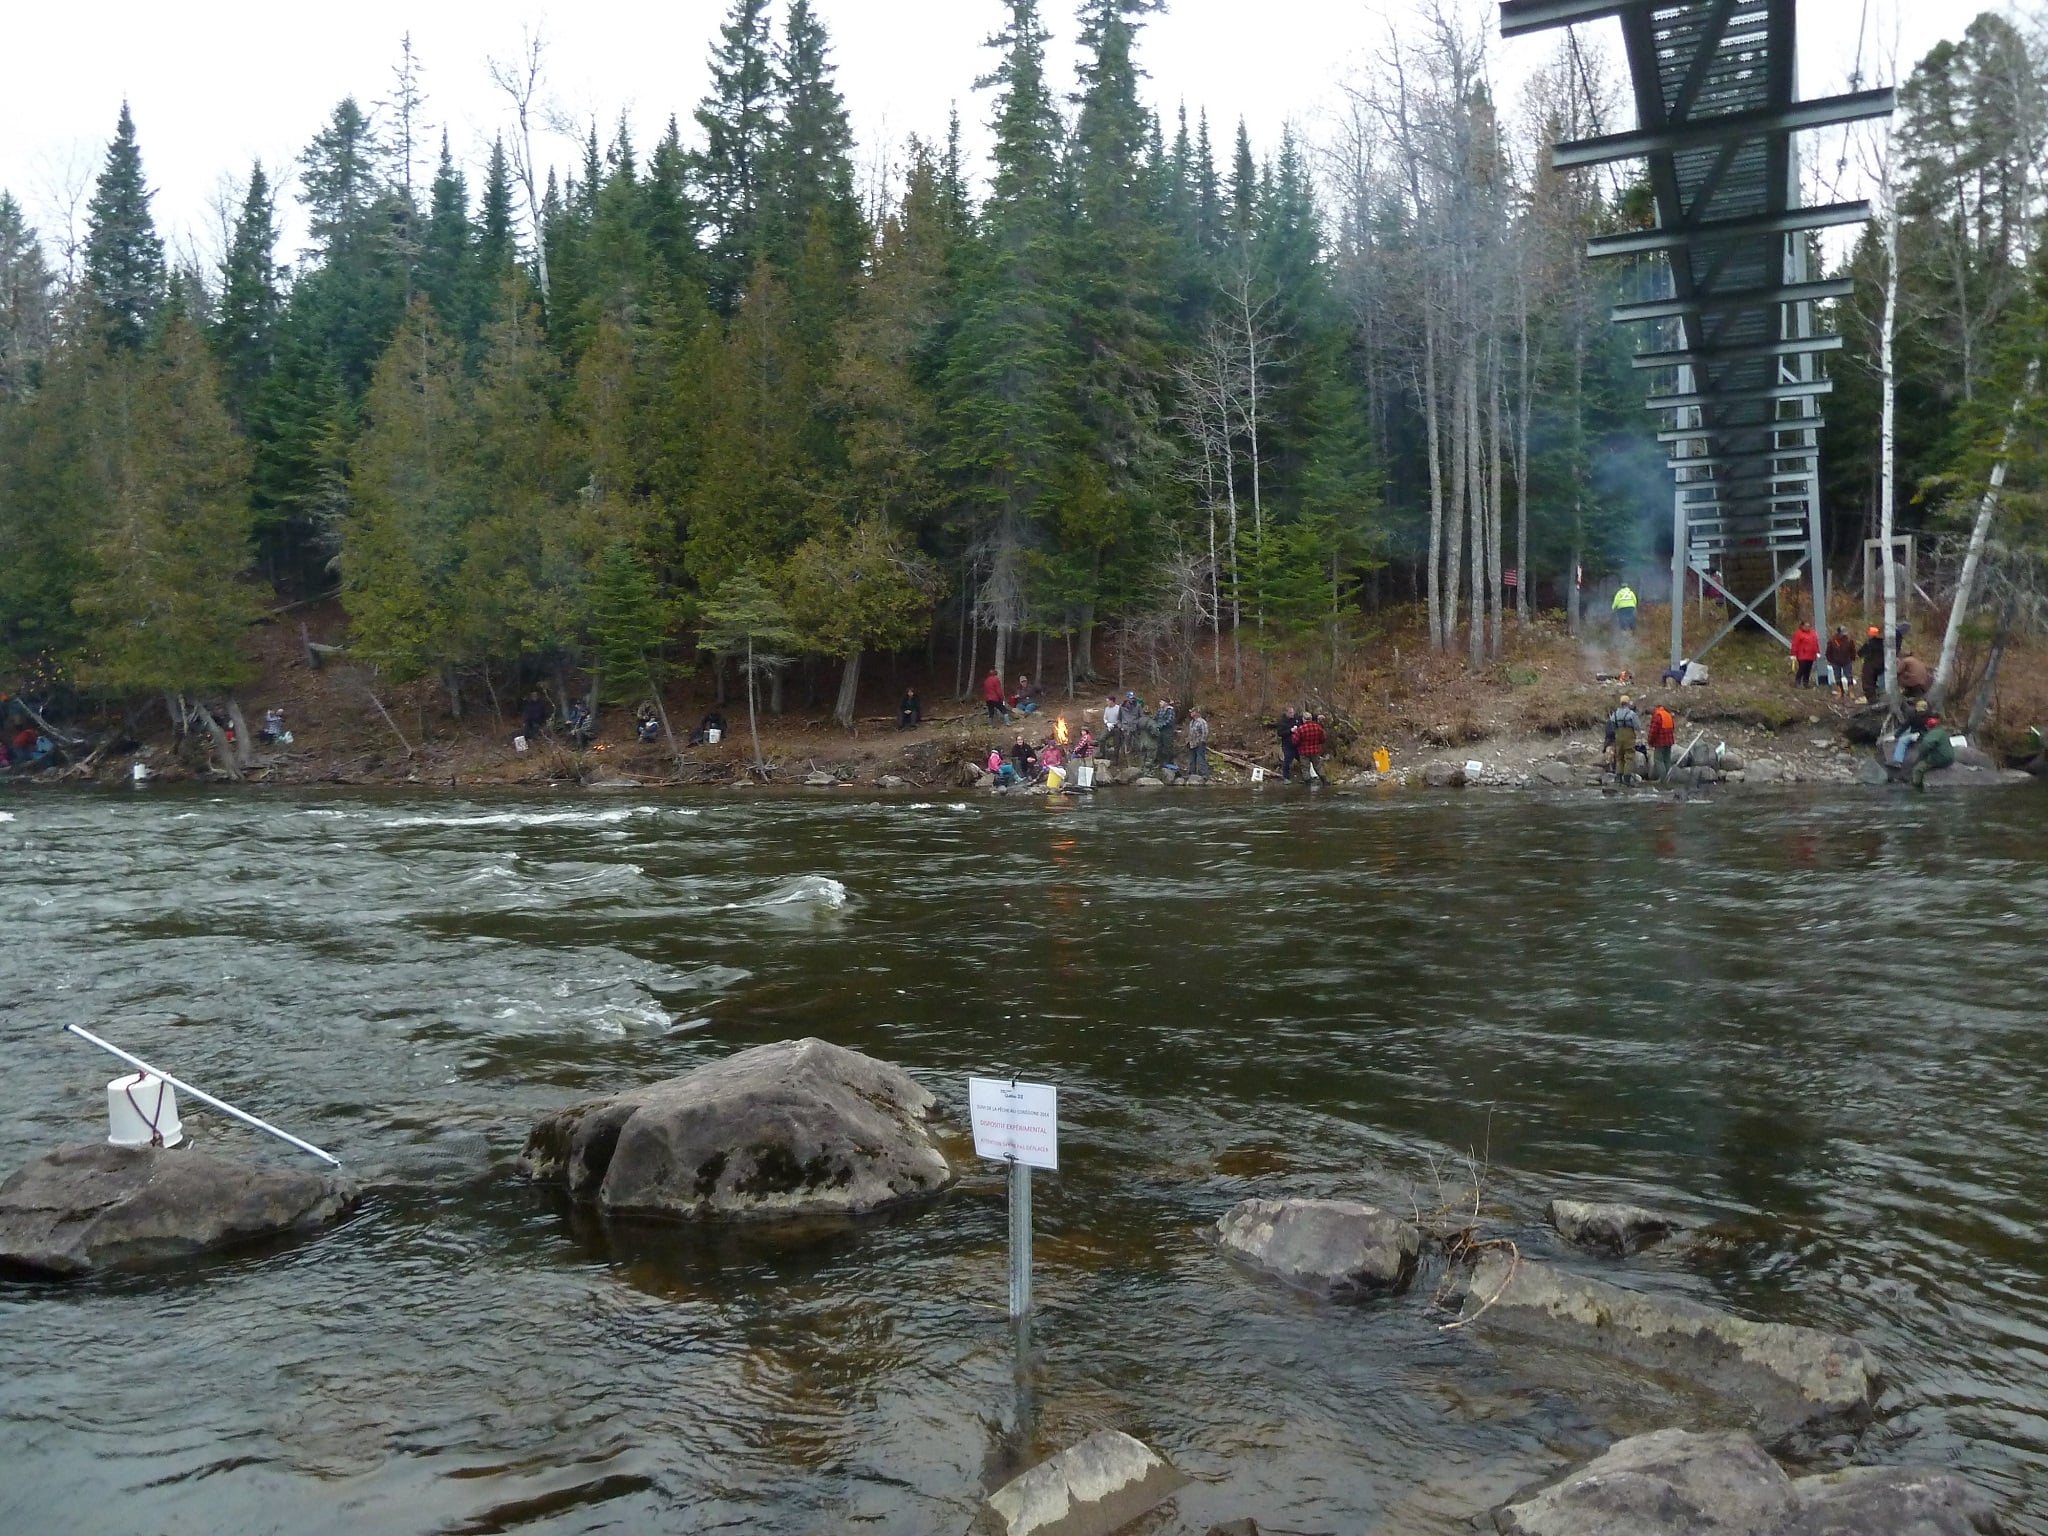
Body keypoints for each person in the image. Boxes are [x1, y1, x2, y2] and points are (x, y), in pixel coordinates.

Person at [1607, 695, 1642, 783]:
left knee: (1619, 757)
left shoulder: (1615, 713)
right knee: (1629, 757)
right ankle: (1626, 779)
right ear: (1627, 703)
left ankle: (1618, 778)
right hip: (1629, 737)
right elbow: (1637, 726)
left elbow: (1612, 724)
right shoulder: (1631, 714)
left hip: (1618, 736)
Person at [1646, 701, 1677, 782]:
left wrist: (1650, 742)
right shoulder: (1668, 715)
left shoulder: (1657, 716)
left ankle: (1663, 780)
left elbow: (1653, 731)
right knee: (1667, 760)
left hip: (1660, 742)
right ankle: (1669, 778)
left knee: (1659, 760)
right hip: (1669, 741)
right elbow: (1673, 727)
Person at [1293, 710, 1327, 782]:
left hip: (1304, 751)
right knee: (1318, 766)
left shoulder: (1300, 729)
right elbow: (1323, 739)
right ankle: (1324, 781)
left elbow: (1295, 741)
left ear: (1303, 719)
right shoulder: (1318, 727)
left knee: (1305, 768)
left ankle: (1308, 784)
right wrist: (1318, 743)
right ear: (1311, 719)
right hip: (1315, 750)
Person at [1825, 624, 1856, 698]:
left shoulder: (1849, 640)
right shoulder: (1833, 640)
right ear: (1839, 633)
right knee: (1837, 677)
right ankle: (1840, 692)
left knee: (1849, 676)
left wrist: (1852, 658)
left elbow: (1853, 650)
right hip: (1836, 662)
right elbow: (1828, 652)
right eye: (1843, 632)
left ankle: (1851, 692)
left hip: (1846, 661)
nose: (1845, 633)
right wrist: (1831, 660)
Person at [1856, 627, 1885, 703]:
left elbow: (1860, 653)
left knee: (1868, 682)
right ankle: (1880, 696)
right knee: (1878, 682)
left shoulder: (1869, 643)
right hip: (1881, 666)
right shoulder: (1883, 643)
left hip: (1870, 665)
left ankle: (1872, 699)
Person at [1791, 620, 1820, 688]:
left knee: (1808, 669)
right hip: (1802, 655)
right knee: (1802, 668)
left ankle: (1806, 682)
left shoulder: (1813, 633)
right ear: (1802, 626)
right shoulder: (1798, 633)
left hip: (1811, 655)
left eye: (1808, 626)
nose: (1807, 627)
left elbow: (1815, 643)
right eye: (1806, 626)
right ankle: (1798, 682)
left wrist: (1817, 652)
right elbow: (1795, 644)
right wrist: (1793, 654)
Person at [1277, 706, 1301, 781]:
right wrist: (1290, 731)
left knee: (1303, 760)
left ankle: (1307, 776)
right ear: (1286, 713)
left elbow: (1307, 717)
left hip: (1298, 744)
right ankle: (1286, 777)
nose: (1292, 714)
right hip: (1288, 745)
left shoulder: (1297, 719)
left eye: (1293, 712)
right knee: (1287, 761)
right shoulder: (1282, 722)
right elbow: (1280, 733)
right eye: (1290, 713)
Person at [1152, 697, 1177, 770]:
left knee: (1168, 747)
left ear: (1166, 703)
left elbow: (1169, 721)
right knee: (1159, 747)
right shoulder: (1159, 710)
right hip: (1160, 731)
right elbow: (1155, 718)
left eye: (1161, 702)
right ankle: (1160, 762)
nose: (1160, 703)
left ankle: (1169, 763)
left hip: (1167, 732)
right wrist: (1153, 724)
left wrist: (1159, 725)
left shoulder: (1170, 710)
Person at [1186, 708, 1210, 778]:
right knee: (1192, 758)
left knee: (1201, 758)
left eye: (1192, 712)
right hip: (1192, 743)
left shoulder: (1202, 722)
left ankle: (1204, 773)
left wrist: (1202, 741)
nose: (1191, 713)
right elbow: (1190, 733)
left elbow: (1205, 732)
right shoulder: (1192, 722)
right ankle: (1191, 772)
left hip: (1199, 743)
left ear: (1196, 713)